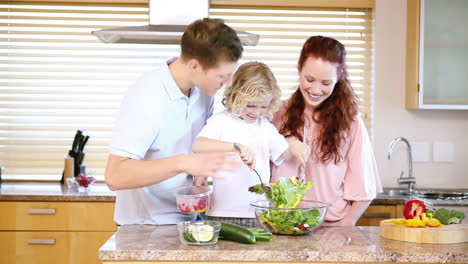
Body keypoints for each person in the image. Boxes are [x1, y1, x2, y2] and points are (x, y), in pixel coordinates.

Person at [105, 18, 244, 225]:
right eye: (222, 76)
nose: (228, 83)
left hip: (188, 219)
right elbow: (115, 176)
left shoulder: (204, 92)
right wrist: (183, 163)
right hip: (144, 226)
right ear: (195, 66)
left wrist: (200, 177)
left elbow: (197, 147)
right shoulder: (146, 95)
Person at [271, 36, 382, 226]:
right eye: (309, 79)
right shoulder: (275, 113)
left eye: (326, 83)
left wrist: (346, 224)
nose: (315, 89)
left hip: (330, 227)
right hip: (281, 226)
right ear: (299, 70)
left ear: (338, 78)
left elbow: (365, 187)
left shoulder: (351, 122)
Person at [192, 61, 310, 227]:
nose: (256, 112)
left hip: (258, 214)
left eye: (263, 106)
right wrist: (235, 147)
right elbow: (198, 145)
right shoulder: (220, 122)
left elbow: (286, 154)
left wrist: (296, 146)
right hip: (221, 213)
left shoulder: (265, 128)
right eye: (251, 105)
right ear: (235, 95)